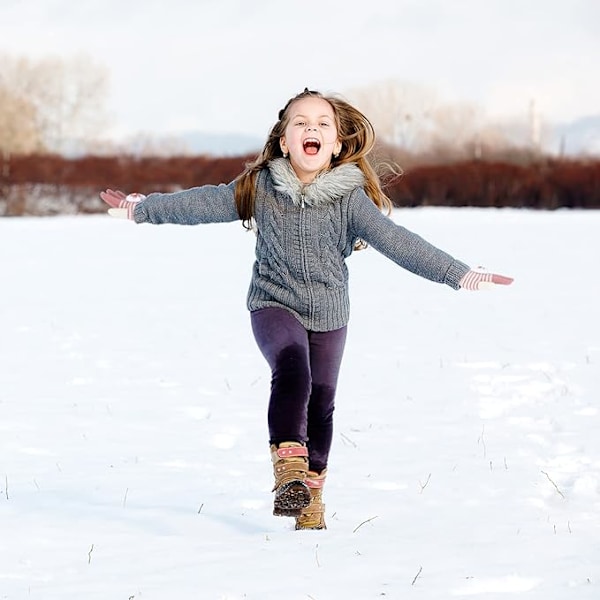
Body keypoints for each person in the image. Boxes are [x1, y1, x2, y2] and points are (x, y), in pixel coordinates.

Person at [100, 88, 513, 530]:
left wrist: (458, 273)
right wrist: (145, 210)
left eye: (322, 123)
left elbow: (399, 244)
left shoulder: (350, 200)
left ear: (336, 144)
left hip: (331, 314)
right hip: (273, 301)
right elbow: (200, 203)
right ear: (284, 140)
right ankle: (289, 471)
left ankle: (310, 497)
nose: (310, 129)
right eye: (300, 123)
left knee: (321, 405)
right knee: (292, 368)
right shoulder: (259, 188)